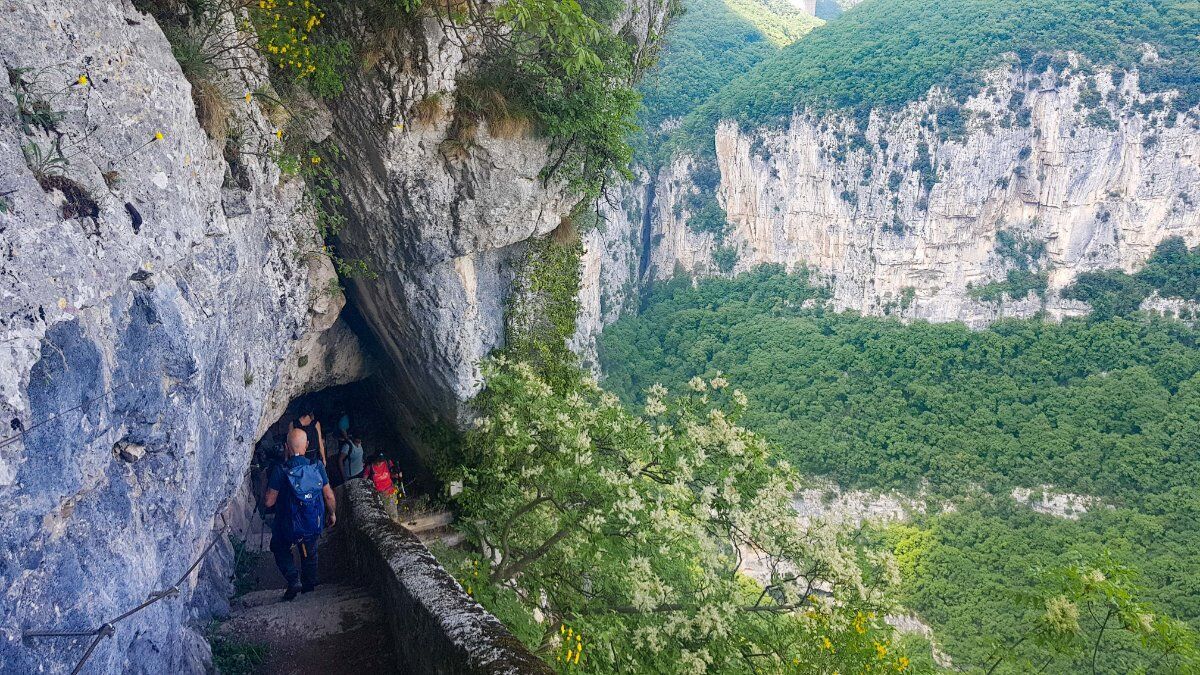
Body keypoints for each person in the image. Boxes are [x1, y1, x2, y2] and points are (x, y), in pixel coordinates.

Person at [264, 428, 336, 600]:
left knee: (279, 547)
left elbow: (269, 502)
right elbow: (328, 495)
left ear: (286, 447)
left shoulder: (281, 470)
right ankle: (309, 590)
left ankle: (293, 578)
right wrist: (332, 513)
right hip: (311, 521)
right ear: (307, 445)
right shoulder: (317, 466)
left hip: (287, 524)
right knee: (310, 553)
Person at [362, 452, 401, 522]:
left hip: (390, 491)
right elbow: (364, 480)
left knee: (393, 513)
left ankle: (395, 526)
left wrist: (396, 475)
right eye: (378, 461)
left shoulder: (387, 463)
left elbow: (391, 474)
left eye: (381, 461)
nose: (380, 463)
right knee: (383, 514)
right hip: (379, 495)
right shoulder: (370, 467)